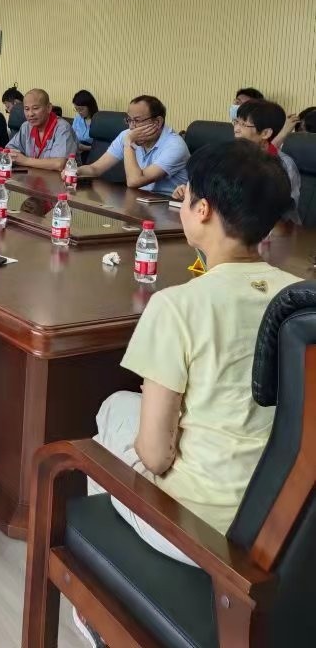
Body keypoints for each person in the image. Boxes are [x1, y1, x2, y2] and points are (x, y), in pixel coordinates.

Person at [71, 141, 300, 646]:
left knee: (111, 414)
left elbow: (155, 456)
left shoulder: (178, 306)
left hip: (202, 529)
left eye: (186, 194)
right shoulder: (298, 297)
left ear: (203, 210)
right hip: (287, 523)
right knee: (126, 410)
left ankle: (98, 602)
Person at [72, 95, 189, 194]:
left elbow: (134, 181)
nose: (132, 127)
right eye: (129, 120)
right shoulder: (127, 135)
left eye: (137, 120)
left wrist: (129, 144)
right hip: (137, 200)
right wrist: (74, 172)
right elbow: (95, 169)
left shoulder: (175, 146)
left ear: (157, 122)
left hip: (166, 207)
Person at [7, 89, 78, 171]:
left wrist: (25, 160)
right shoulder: (26, 127)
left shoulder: (62, 128)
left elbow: (59, 164)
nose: (30, 114)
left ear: (48, 108)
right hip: (32, 176)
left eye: (35, 108)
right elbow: (8, 151)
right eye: (26, 109)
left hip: (59, 178)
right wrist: (12, 156)